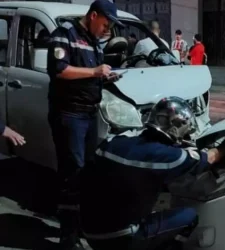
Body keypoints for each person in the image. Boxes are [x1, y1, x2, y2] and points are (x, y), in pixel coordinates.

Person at [79, 96, 225, 250]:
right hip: (121, 237)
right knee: (190, 215)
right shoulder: (168, 157)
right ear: (177, 126)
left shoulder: (113, 143)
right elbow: (210, 157)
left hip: (89, 231)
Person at [46, 0, 124, 249]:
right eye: (106, 23)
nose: (107, 29)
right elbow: (59, 70)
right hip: (70, 116)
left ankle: (80, 227)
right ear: (93, 16)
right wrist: (94, 72)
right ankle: (68, 238)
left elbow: (90, 71)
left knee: (86, 172)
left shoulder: (93, 41)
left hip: (89, 116)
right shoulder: (64, 34)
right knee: (73, 173)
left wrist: (104, 75)